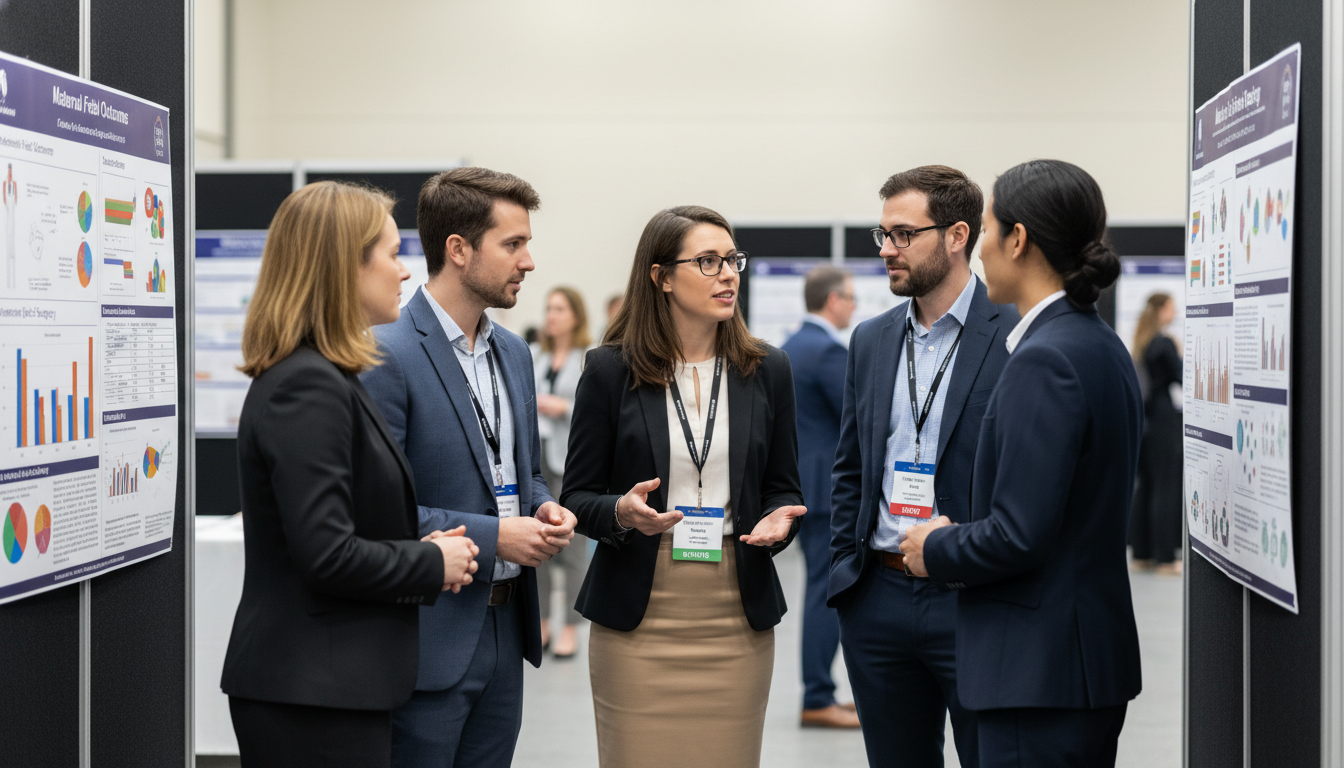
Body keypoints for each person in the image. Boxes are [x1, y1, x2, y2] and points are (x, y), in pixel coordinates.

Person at [221, 181, 480, 768]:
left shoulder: (323, 377)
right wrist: (430, 562)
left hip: (331, 686)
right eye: (392, 254)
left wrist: (420, 546)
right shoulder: (306, 387)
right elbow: (326, 554)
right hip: (311, 693)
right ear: (344, 266)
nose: (405, 273)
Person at [900, 159, 1144, 768]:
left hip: (1038, 672)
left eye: (985, 230)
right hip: (1076, 664)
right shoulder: (1096, 342)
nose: (978, 248)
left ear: (1018, 239)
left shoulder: (1046, 359)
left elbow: (1018, 534)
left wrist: (935, 547)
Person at [561, 205, 806, 768]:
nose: (728, 274)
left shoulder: (768, 369)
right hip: (639, 613)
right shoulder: (608, 371)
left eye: (732, 260)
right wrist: (621, 512)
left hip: (734, 609)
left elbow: (782, 488)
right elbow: (577, 498)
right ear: (662, 276)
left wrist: (779, 521)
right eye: (708, 261)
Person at [360, 167, 579, 768]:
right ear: (458, 250)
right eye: (513, 244)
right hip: (429, 636)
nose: (529, 261)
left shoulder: (513, 353)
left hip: (508, 632)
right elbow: (381, 510)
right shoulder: (386, 353)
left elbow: (522, 471)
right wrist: (496, 535)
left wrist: (542, 507)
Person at [829, 165, 1018, 768]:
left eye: (904, 234)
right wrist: (846, 573)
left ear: (958, 235)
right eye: (882, 234)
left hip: (973, 599)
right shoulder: (872, 339)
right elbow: (851, 467)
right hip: (877, 595)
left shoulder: (1013, 332)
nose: (887, 249)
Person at [778, 265, 860, 729]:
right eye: (851, 299)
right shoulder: (828, 351)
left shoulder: (789, 348)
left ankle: (820, 691)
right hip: (830, 491)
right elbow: (858, 422)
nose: (854, 308)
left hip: (804, 486)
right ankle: (817, 696)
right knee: (827, 594)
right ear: (833, 301)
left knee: (819, 590)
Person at [531, 286, 592, 658]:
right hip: (535, 460)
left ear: (575, 315)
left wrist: (563, 406)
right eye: (548, 308)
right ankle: (541, 623)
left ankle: (569, 626)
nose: (551, 315)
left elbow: (593, 409)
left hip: (569, 461)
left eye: (559, 309)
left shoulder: (586, 358)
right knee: (535, 543)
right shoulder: (535, 355)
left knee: (571, 546)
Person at [1129, 292, 1184, 575]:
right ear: (1162, 310)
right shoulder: (1163, 342)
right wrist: (1181, 353)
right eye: (1172, 307)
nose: (1175, 312)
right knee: (1165, 486)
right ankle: (1165, 558)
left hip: (1144, 421)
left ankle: (1141, 553)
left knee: (1147, 485)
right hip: (1162, 419)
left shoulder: (1141, 341)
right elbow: (1182, 375)